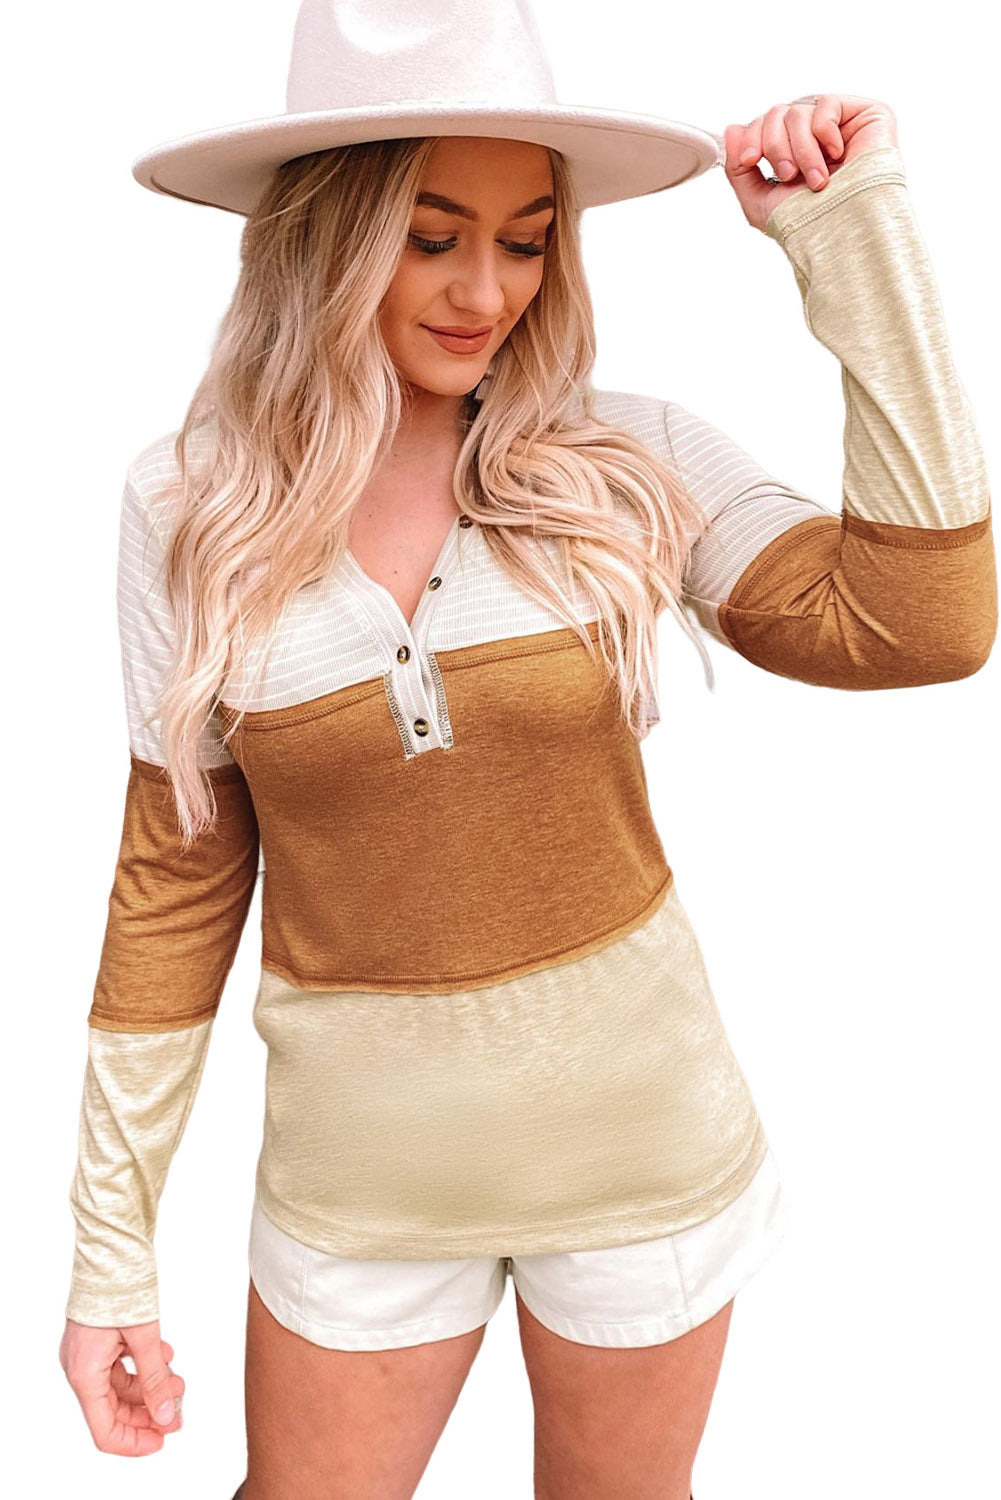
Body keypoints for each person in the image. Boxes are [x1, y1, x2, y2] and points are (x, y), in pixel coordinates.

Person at [57, 2, 996, 1497]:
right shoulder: (189, 508)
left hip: (643, 1168)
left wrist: (854, 242)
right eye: (430, 237)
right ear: (323, 237)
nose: (484, 291)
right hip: (357, 1193)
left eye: (527, 239)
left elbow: (922, 626)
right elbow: (175, 882)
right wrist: (111, 1256)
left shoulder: (626, 463)